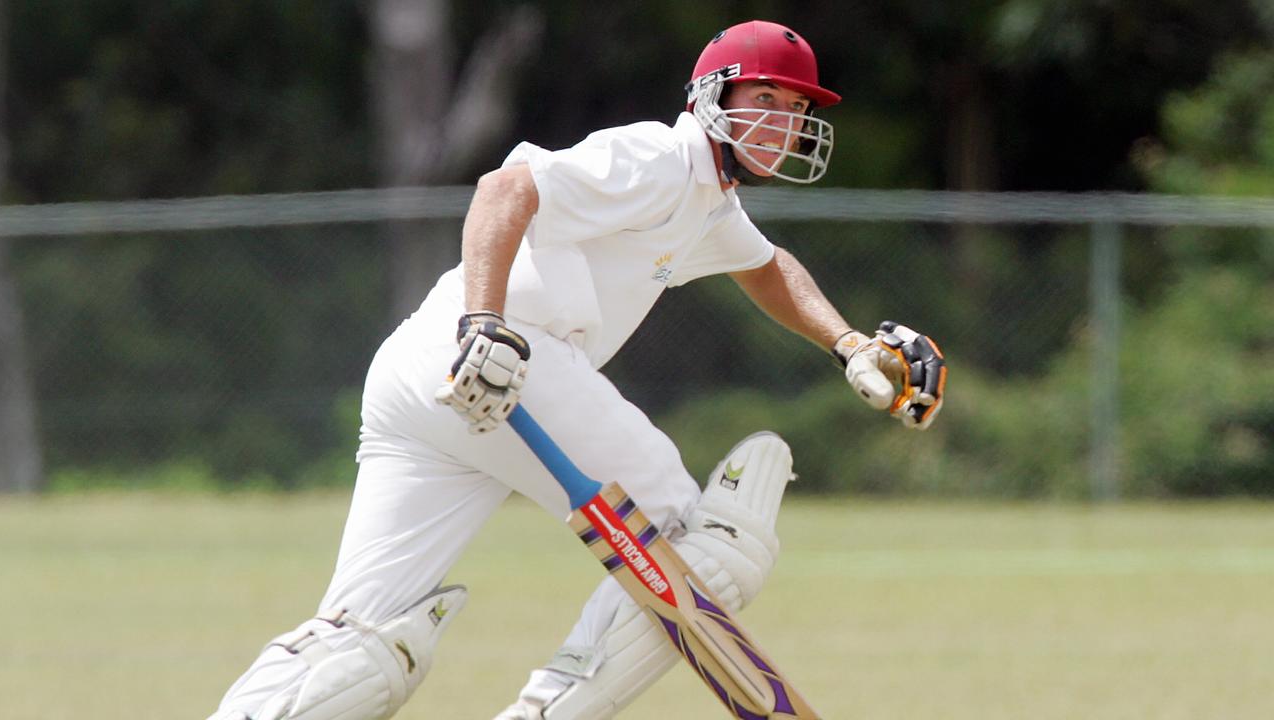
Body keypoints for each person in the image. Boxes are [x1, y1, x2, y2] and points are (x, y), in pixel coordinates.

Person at [207, 19, 945, 720]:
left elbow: (766, 267)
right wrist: (484, 325)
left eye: (794, 108)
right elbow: (506, 188)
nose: (780, 121)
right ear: (711, 98)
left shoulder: (709, 205)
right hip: (502, 357)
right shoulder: (659, 159)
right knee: (710, 541)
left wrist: (850, 345)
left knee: (362, 636)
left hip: (422, 373)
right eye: (764, 100)